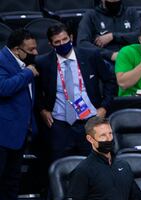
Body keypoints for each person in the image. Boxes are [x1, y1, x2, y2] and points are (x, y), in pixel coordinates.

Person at [37, 23, 118, 163]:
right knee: (60, 166)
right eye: (57, 42)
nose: (62, 44)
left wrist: (104, 107)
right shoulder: (43, 62)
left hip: (90, 120)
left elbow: (110, 80)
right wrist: (42, 110)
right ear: (51, 44)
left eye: (64, 40)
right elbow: (36, 90)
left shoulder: (91, 55)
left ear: (71, 38)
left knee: (96, 165)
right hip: (60, 123)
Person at [0, 29, 38, 200]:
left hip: (20, 134)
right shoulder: (2, 60)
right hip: (3, 134)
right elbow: (3, 88)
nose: (35, 52)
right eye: (30, 49)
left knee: (12, 184)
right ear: (16, 49)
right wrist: (27, 74)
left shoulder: (25, 62)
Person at [77, 0, 141, 63]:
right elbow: (82, 43)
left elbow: (139, 36)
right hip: (105, 61)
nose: (114, 2)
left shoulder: (131, 12)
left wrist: (113, 36)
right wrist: (110, 55)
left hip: (131, 58)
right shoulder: (91, 15)